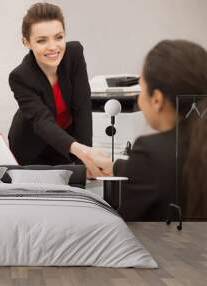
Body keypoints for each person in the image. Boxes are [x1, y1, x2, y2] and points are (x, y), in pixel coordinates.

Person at [88, 40, 207, 221]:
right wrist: (114, 167)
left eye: (141, 89)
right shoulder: (177, 152)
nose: (139, 99)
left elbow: (125, 230)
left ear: (157, 99)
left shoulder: (150, 152)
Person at [8, 2, 103, 177]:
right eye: (41, 40)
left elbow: (82, 108)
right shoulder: (20, 77)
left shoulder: (74, 54)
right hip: (32, 147)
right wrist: (80, 151)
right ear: (26, 42)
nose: (53, 47)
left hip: (67, 143)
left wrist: (85, 158)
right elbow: (42, 122)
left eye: (58, 37)